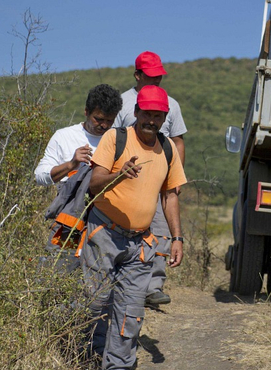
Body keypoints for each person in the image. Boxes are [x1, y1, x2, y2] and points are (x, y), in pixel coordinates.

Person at [82, 85, 186, 369]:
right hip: (103, 234)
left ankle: (117, 365)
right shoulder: (115, 138)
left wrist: (176, 238)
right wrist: (118, 175)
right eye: (147, 114)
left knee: (130, 312)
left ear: (165, 117)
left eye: (159, 115)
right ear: (136, 112)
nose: (152, 120)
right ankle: (88, 357)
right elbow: (94, 183)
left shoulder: (167, 149)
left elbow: (170, 195)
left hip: (140, 244)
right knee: (96, 303)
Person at [114, 51, 187, 306]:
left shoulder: (172, 104)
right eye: (151, 76)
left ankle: (153, 286)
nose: (156, 81)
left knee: (161, 232)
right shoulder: (122, 103)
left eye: (159, 77)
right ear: (137, 75)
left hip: (159, 179)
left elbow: (178, 141)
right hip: (128, 180)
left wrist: (174, 180)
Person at [34, 84, 122, 270]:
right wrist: (71, 165)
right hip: (70, 220)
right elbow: (40, 176)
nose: (104, 126)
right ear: (86, 111)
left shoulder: (119, 140)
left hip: (107, 220)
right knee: (58, 271)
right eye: (98, 119)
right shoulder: (64, 136)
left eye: (109, 121)